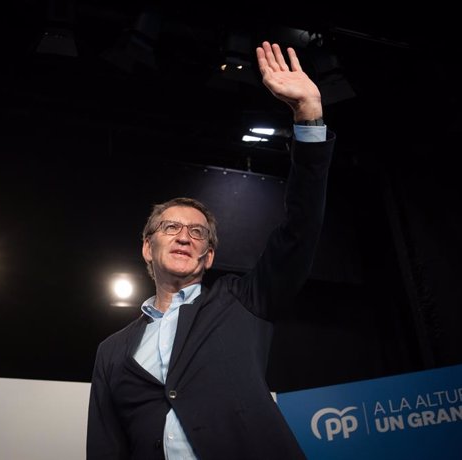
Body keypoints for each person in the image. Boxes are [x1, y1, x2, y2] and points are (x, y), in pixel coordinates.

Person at [86, 40, 335, 460]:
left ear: (210, 256)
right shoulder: (111, 352)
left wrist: (308, 115)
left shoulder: (242, 301)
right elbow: (105, 446)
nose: (185, 236)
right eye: (171, 227)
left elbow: (301, 229)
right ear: (148, 248)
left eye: (198, 233)